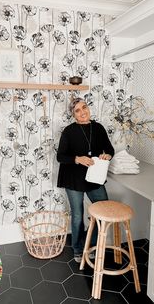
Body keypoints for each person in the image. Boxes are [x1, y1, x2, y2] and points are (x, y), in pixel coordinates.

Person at [57, 97, 114, 263]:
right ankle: (77, 248)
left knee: (103, 211)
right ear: (74, 115)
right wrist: (78, 159)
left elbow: (109, 149)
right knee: (77, 215)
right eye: (77, 110)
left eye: (84, 107)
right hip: (73, 177)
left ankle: (91, 244)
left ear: (88, 108)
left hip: (94, 176)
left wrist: (107, 155)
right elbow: (60, 156)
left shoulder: (98, 128)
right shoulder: (68, 131)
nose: (82, 112)